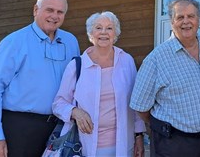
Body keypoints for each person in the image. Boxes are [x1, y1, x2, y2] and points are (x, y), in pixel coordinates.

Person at [0, 0, 80, 157]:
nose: (54, 16)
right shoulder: (14, 41)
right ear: (35, 10)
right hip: (19, 128)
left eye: (60, 12)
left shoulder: (71, 42)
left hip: (59, 128)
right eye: (49, 10)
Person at [130, 0, 200, 157]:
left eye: (191, 16)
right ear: (171, 22)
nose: (186, 21)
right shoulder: (156, 59)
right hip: (175, 145)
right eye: (180, 17)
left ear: (199, 19)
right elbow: (141, 107)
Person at [52, 11, 145, 157]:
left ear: (115, 34)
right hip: (84, 146)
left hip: (123, 145)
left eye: (109, 28)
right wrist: (75, 112)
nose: (104, 32)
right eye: (98, 27)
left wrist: (139, 135)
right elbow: (58, 103)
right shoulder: (77, 65)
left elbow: (135, 101)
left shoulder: (126, 61)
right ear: (91, 33)